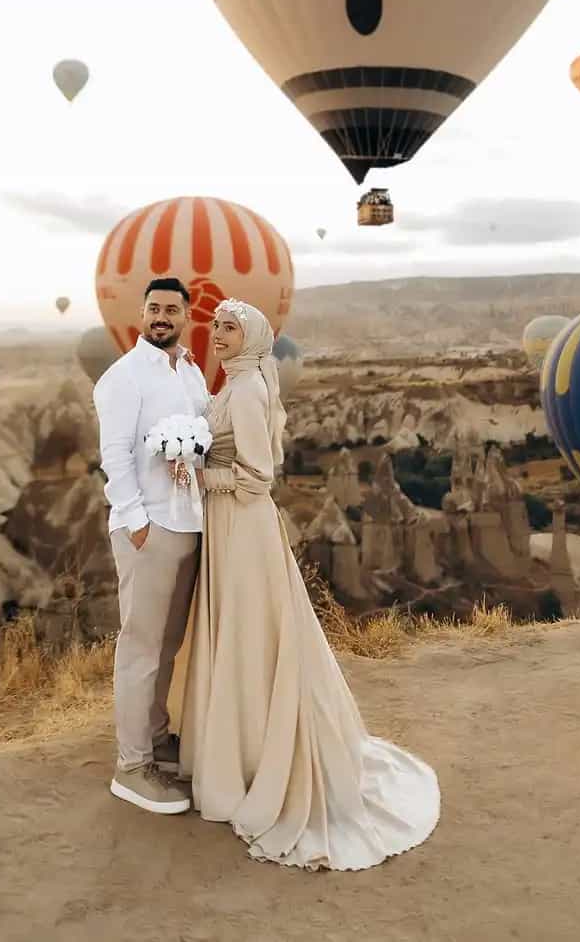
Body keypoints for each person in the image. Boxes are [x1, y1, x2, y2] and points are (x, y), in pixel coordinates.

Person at [175, 297, 441, 871]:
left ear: (250, 339)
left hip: (241, 526)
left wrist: (199, 472)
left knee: (249, 634)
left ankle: (248, 757)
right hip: (230, 530)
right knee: (248, 634)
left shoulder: (245, 391)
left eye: (229, 328)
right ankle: (241, 748)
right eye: (215, 326)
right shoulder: (237, 382)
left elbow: (255, 478)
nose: (217, 335)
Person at [92, 277, 209, 815]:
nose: (162, 316)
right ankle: (132, 766)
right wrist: (137, 522)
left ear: (187, 315)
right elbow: (114, 457)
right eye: (154, 308)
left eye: (172, 309)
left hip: (188, 524)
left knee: (167, 645)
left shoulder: (188, 370)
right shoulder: (124, 377)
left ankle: (157, 738)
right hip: (150, 528)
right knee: (140, 647)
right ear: (141, 313)